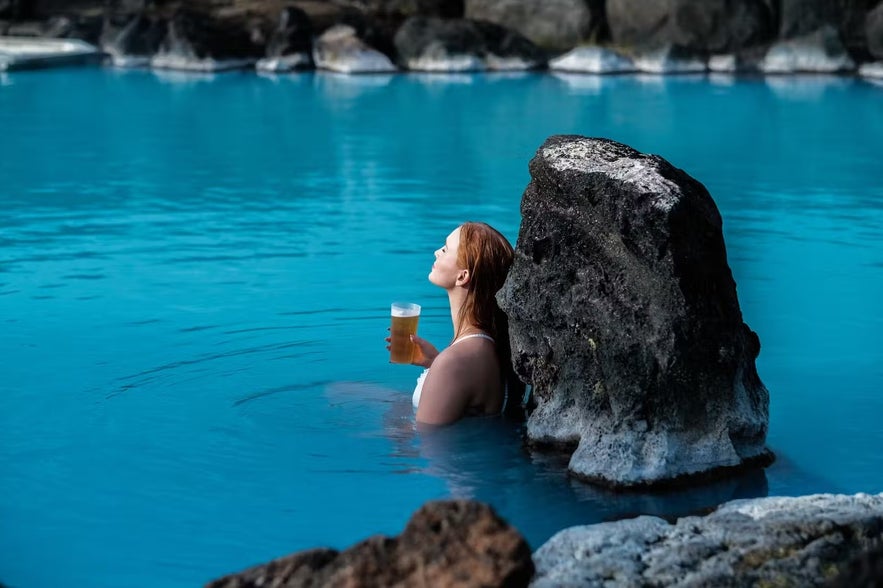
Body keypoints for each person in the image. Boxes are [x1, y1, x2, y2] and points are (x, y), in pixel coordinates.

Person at [392, 221, 525, 426]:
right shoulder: (487, 346)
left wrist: (391, 431)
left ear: (463, 276)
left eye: (445, 249)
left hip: (446, 455)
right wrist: (434, 362)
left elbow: (428, 446)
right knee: (343, 389)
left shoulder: (455, 362)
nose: (437, 252)